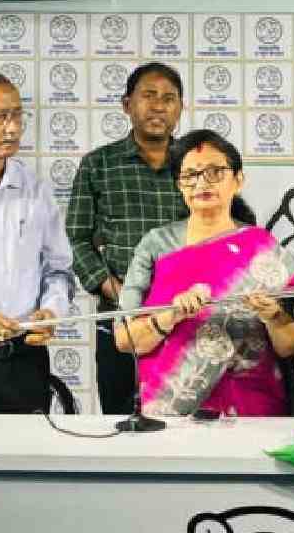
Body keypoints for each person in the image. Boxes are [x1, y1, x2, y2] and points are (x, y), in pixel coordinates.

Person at [114, 129, 294, 416]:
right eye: (190, 175)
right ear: (179, 185)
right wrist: (172, 315)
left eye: (215, 172)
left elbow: (291, 343)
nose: (201, 183)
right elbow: (125, 340)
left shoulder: (261, 248)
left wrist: (273, 316)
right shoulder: (156, 244)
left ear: (238, 180)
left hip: (252, 410)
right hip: (170, 410)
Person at [66, 62, 189, 414]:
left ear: (180, 108)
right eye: (148, 96)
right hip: (119, 317)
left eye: (169, 98)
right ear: (126, 105)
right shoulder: (98, 165)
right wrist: (113, 289)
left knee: (185, 424)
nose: (159, 106)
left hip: (182, 318)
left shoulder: (194, 165)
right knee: (121, 420)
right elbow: (77, 239)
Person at [0, 71, 73, 412]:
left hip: (24, 363)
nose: (12, 128)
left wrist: (52, 311)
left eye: (17, 115)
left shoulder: (35, 189)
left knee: (29, 461)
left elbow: (59, 270)